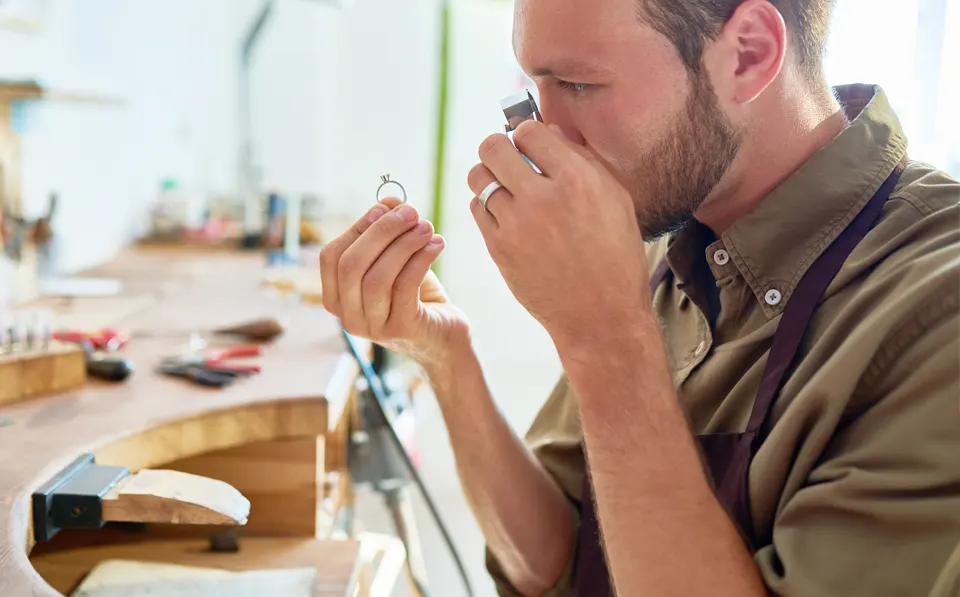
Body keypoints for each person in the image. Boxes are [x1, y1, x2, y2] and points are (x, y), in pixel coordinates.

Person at [319, 0, 960, 595]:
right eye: (531, 91)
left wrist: (606, 340)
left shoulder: (936, 312)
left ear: (749, 54)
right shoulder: (670, 222)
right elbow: (556, 562)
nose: (544, 137)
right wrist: (444, 354)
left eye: (578, 86)